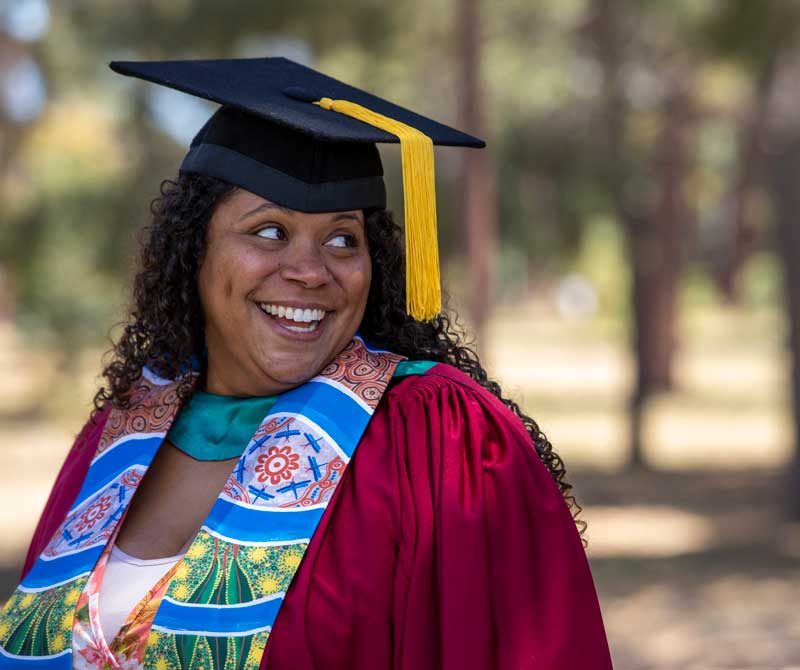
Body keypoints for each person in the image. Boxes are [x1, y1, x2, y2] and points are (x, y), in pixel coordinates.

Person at [0, 57, 613, 670]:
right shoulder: (126, 426)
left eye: (343, 239)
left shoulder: (431, 433)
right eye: (268, 232)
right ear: (194, 250)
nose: (310, 270)